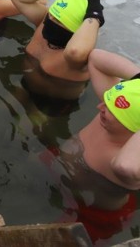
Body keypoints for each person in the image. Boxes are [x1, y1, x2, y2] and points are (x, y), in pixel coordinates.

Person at [41, 49, 140, 243]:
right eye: (106, 101)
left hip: (93, 212)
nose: (100, 107)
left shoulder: (130, 158)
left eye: (110, 110)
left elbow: (124, 167)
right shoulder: (112, 111)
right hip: (57, 169)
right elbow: (96, 58)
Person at [9, 0, 107, 100]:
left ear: (77, 31)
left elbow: (75, 51)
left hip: (56, 105)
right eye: (52, 15)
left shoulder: (78, 59)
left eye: (60, 21)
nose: (52, 20)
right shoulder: (44, 20)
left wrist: (95, 15)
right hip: (24, 84)